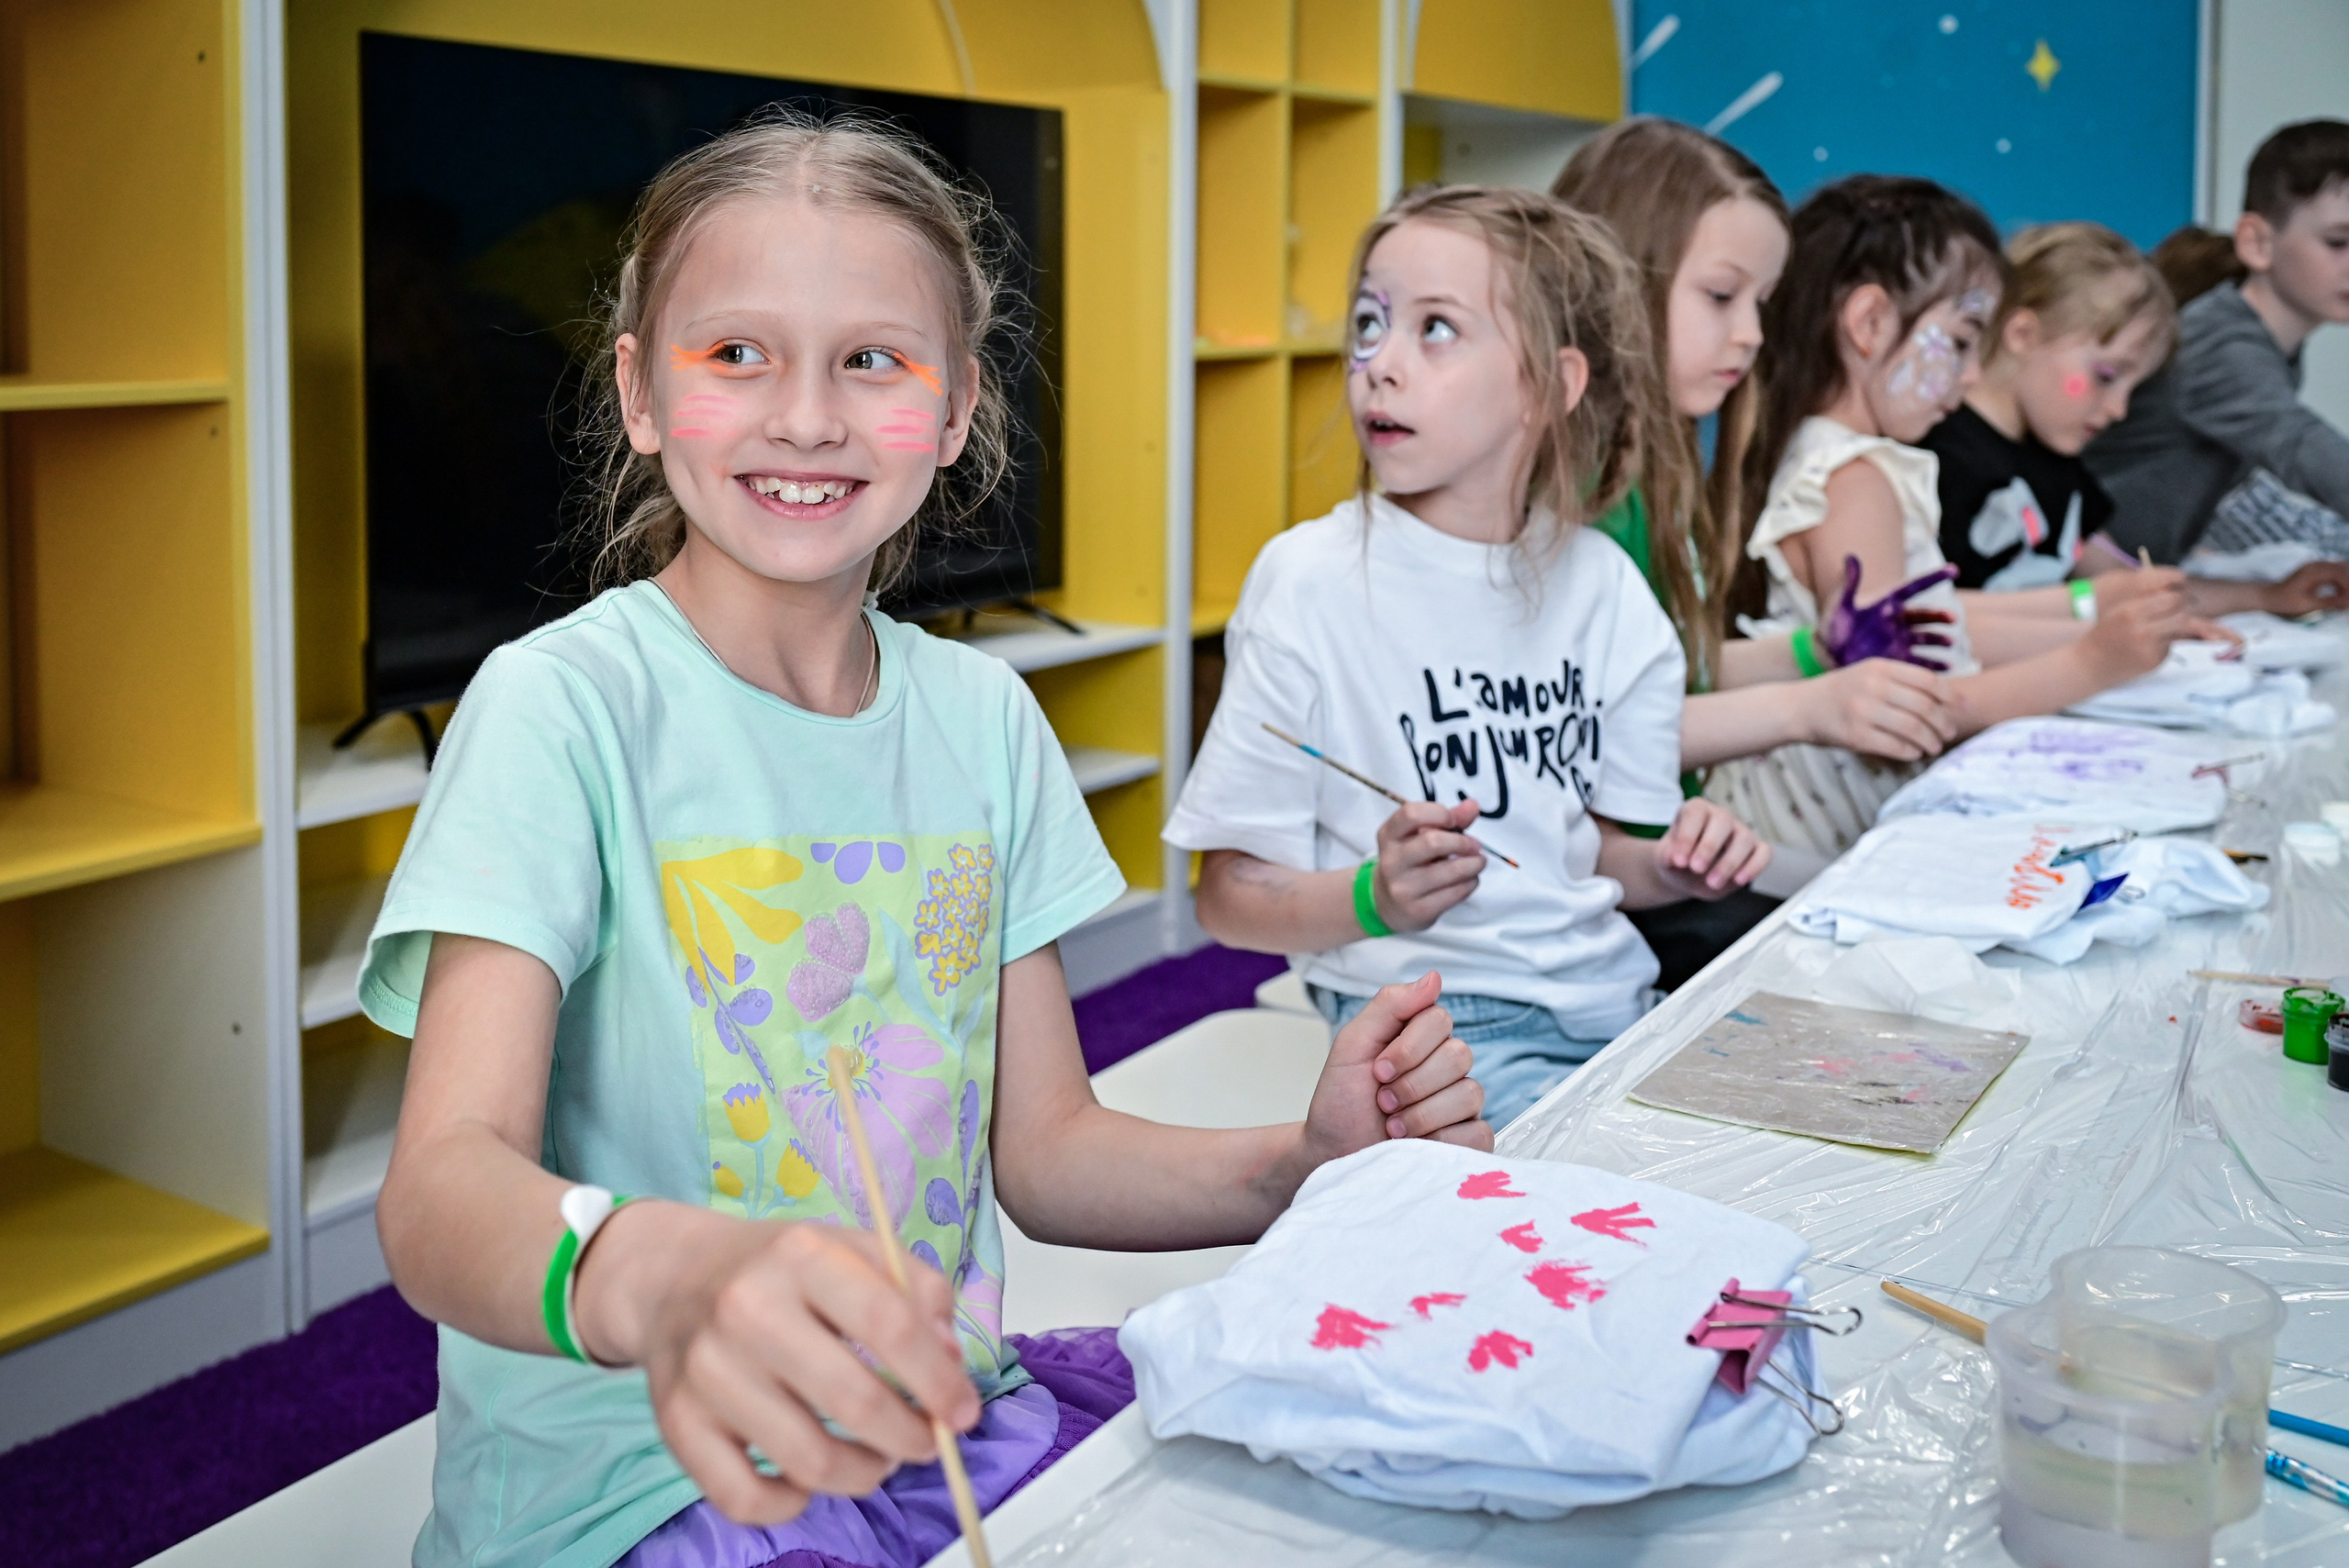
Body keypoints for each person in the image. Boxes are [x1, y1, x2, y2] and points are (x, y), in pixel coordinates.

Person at [364, 112, 1489, 1568]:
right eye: (737, 355)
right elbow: (441, 1188)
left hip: (939, 1426)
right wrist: (663, 1269)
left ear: (955, 410)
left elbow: (1048, 1149)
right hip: (645, 1494)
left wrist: (1301, 1160)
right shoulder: (558, 711)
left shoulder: (986, 720)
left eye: (873, 361)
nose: (810, 419)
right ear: (641, 393)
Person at [1164, 183, 1772, 1129]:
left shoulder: (1606, 587)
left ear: (1553, 384)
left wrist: (1683, 867)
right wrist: (1375, 893)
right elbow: (1228, 896)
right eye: (1370, 321)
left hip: (1618, 1000)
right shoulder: (1311, 582)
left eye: (1435, 328)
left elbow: (1599, 858)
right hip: (1431, 1025)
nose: (1380, 364)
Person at [1552, 117, 1962, 983]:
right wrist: (1813, 704)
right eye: (1720, 297)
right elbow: (1594, 734)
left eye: (1761, 306)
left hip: (1676, 855)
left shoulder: (1651, 471)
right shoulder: (1572, 497)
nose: (1750, 334)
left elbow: (1670, 676)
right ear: (1621, 277)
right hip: (1603, 892)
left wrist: (1816, 651)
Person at [1704, 176, 2210, 860]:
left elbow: (1933, 630)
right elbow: (1915, 710)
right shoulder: (1856, 480)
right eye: (1963, 339)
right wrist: (2091, 661)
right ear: (1870, 323)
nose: (1971, 375)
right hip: (1816, 855)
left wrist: (2093, 609)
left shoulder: (1851, 461)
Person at [1927, 221, 2349, 614]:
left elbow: (2125, 586)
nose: (2119, 409)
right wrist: (2086, 610)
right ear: (2023, 335)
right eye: (2105, 376)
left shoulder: (2058, 471)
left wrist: (2265, 595)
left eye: (2132, 387)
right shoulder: (1933, 460)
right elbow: (1933, 615)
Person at [2086, 119, 2349, 562]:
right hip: (2080, 576)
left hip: (2138, 574)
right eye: (2338, 242)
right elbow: (2302, 447)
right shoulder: (2219, 343)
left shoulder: (2271, 345)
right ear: (2257, 242)